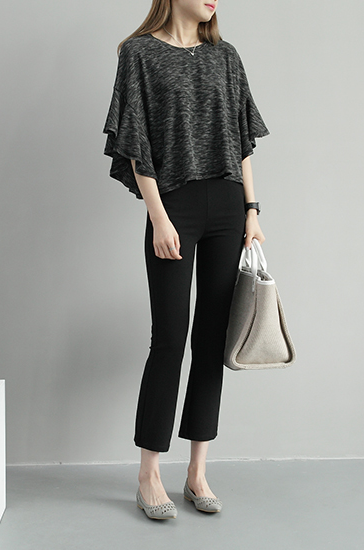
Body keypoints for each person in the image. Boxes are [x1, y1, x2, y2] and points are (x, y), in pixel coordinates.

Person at [103, 0, 268, 520]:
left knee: (211, 340)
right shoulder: (139, 54)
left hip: (227, 205)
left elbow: (241, 142)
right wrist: (158, 216)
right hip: (173, 204)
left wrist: (252, 211)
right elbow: (136, 142)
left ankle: (197, 471)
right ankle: (149, 473)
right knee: (170, 339)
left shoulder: (226, 56)